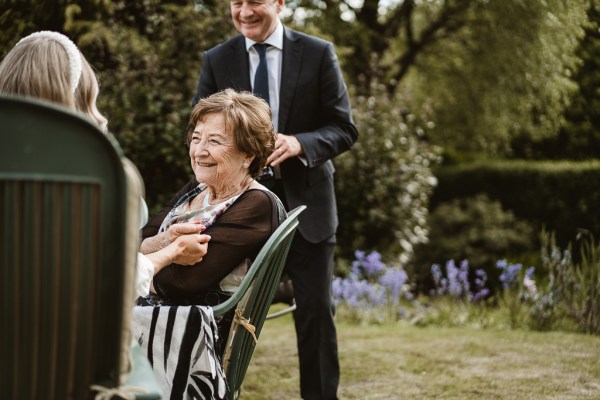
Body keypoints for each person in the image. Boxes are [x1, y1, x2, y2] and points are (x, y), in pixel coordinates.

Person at [192, 1, 359, 399]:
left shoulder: (319, 53)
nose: (245, 11)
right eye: (237, 3)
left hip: (308, 206)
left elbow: (344, 128)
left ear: (280, 3)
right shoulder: (217, 59)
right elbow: (200, 126)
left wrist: (301, 142)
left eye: (255, 2)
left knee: (316, 313)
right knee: (217, 305)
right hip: (237, 203)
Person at [0, 31, 210, 298]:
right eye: (92, 101)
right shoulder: (100, 176)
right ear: (76, 103)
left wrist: (162, 240)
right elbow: (108, 279)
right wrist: (173, 253)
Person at [139, 88, 285, 341]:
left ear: (248, 154)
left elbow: (183, 282)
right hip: (156, 315)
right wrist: (164, 242)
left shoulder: (256, 204)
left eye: (215, 141)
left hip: (189, 334)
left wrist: (127, 271)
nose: (199, 151)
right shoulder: (197, 188)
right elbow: (139, 239)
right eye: (196, 138)